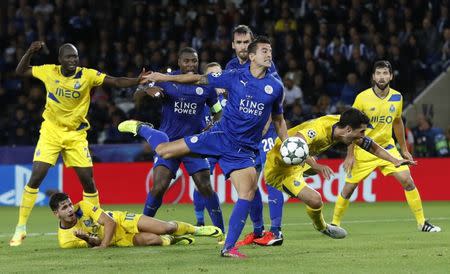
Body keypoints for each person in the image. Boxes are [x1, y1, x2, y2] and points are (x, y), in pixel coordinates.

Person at [119, 36, 288, 258]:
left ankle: (228, 247)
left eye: (270, 51)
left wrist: (286, 144)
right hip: (219, 137)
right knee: (164, 150)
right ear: (252, 56)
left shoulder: (275, 87)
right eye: (264, 51)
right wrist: (161, 77)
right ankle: (144, 128)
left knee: (247, 192)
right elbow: (199, 78)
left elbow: (278, 120)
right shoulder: (233, 76)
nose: (268, 54)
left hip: (243, 150)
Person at [10, 41, 151, 247]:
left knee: (88, 181)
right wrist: (29, 52)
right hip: (51, 131)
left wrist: (137, 80)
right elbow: (20, 71)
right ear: (60, 60)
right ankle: (21, 227)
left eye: (75, 57)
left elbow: (115, 81)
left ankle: (97, 225)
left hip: (76, 135)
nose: (73, 60)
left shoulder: (87, 75)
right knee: (37, 176)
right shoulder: (49, 71)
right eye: (68, 57)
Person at [265, 108, 416, 238]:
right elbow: (296, 143)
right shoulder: (318, 130)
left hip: (301, 160)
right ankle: (322, 226)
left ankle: (319, 221)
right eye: (361, 131)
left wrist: (394, 160)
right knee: (316, 200)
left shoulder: (342, 125)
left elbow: (371, 146)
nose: (363, 135)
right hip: (280, 167)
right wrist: (317, 166)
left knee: (312, 171)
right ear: (349, 130)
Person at [331, 61, 441, 232]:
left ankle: (422, 223)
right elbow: (350, 127)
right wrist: (350, 154)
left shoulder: (397, 97)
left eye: (385, 73)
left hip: (387, 148)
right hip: (363, 148)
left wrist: (403, 149)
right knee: (349, 188)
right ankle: (334, 224)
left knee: (407, 180)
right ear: (373, 77)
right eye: (378, 73)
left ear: (391, 76)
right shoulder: (362, 98)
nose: (381, 77)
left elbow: (397, 122)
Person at [135, 47, 225, 237]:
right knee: (159, 187)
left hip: (193, 144)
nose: (191, 65)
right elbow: (136, 98)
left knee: (205, 185)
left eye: (194, 61)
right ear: (179, 62)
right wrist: (145, 91)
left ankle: (221, 232)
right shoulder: (167, 82)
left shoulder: (206, 85)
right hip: (168, 144)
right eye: (187, 61)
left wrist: (211, 126)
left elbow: (218, 111)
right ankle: (142, 227)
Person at [225, 25, 286, 247]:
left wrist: (264, 128)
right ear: (233, 45)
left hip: (265, 133)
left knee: (272, 178)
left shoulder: (266, 66)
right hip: (243, 138)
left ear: (252, 45)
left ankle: (276, 231)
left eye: (245, 42)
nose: (242, 46)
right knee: (248, 185)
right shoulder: (231, 67)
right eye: (238, 42)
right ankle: (258, 231)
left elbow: (275, 100)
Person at [49, 192, 222, 248]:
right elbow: (96, 241)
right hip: (117, 239)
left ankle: (197, 230)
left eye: (70, 205)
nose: (71, 209)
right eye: (64, 208)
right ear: (56, 214)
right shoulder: (66, 241)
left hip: (122, 220)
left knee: (165, 227)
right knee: (155, 240)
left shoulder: (83, 206)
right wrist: (87, 239)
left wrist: (102, 247)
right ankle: (173, 239)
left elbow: (110, 222)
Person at [193, 62, 226, 228]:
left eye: (219, 74)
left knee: (246, 184)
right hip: (209, 146)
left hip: (229, 146)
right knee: (201, 184)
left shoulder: (233, 95)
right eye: (212, 74)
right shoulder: (201, 97)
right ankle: (200, 220)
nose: (217, 78)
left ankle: (256, 225)